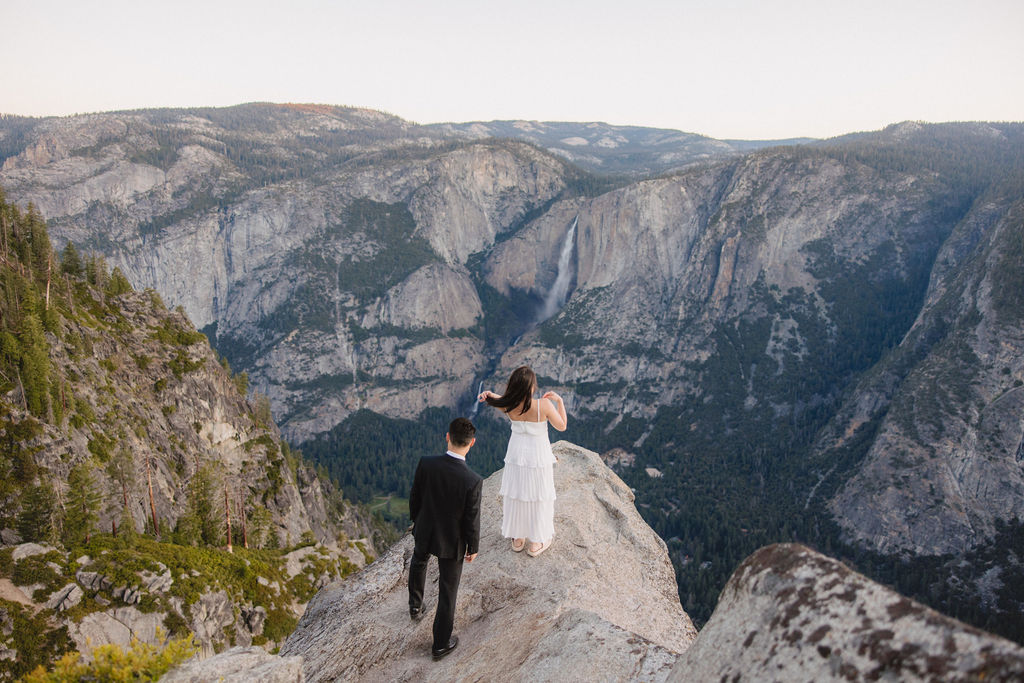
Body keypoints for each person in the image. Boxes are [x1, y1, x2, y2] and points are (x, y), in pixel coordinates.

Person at [408, 417, 483, 661]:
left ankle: (415, 605)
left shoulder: (426, 464)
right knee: (448, 591)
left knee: (419, 561)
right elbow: (471, 519)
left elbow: (415, 497)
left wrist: (416, 521)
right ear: (471, 444)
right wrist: (473, 547)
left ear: (447, 436)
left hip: (426, 529)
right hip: (452, 541)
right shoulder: (472, 481)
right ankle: (440, 644)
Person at [478, 366, 567, 557]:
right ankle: (537, 541)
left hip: (517, 454)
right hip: (538, 455)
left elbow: (497, 399)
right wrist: (559, 401)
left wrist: (489, 394)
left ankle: (518, 538)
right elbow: (562, 426)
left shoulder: (507, 404)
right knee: (539, 494)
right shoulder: (543, 406)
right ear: (531, 387)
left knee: (517, 493)